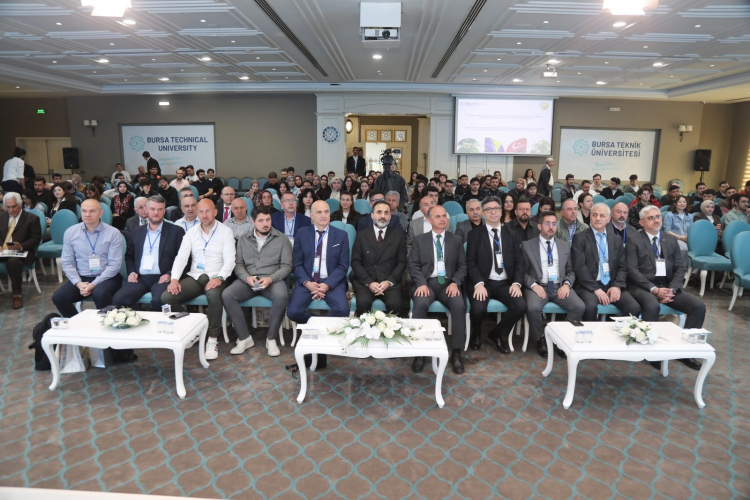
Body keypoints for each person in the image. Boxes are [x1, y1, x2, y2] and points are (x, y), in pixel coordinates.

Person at [626, 205, 705, 371]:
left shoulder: (670, 239)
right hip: (643, 286)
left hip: (668, 286)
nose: (656, 220)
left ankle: (686, 352)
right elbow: (632, 271)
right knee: (652, 305)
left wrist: (673, 289)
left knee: (698, 307)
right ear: (642, 222)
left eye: (658, 217)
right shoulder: (634, 240)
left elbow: (680, 268)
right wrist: (654, 290)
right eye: (651, 218)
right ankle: (651, 351)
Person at [162, 199, 235, 360]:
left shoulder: (226, 231)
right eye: (201, 212)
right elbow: (181, 258)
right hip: (196, 276)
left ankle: (212, 339)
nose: (204, 215)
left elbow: (230, 260)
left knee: (213, 296)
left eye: (208, 211)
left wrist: (219, 277)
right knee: (167, 297)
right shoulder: (191, 232)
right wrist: (174, 279)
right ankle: (193, 330)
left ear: (215, 212)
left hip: (217, 275)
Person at [222, 205, 292, 357]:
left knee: (281, 296)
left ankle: (271, 339)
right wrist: (246, 278)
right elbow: (238, 264)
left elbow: (287, 266)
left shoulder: (282, 239)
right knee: (227, 295)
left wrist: (271, 278)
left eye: (268, 220)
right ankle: (244, 338)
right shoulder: (243, 239)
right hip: (249, 280)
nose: (265, 224)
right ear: (253, 221)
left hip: (272, 280)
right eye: (261, 220)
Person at [409, 205, 467, 374]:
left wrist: (455, 282)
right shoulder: (420, 240)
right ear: (429, 220)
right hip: (426, 283)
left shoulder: (456, 240)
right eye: (438, 216)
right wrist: (421, 283)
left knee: (459, 306)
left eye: (444, 216)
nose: (442, 219)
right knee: (420, 305)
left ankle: (456, 353)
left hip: (448, 284)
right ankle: (419, 353)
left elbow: (462, 266)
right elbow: (413, 265)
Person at [466, 196, 527, 352]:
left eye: (496, 209)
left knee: (520, 306)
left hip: (505, 283)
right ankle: (476, 333)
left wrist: (517, 283)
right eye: (488, 209)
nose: (493, 212)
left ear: (501, 212)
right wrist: (478, 283)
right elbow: (471, 262)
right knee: (478, 309)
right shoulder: (474, 235)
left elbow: (520, 262)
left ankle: (497, 333)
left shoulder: (512, 234)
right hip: (483, 282)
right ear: (483, 213)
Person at [522, 210, 585, 358]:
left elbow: (571, 270)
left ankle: (563, 339)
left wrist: (567, 284)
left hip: (559, 286)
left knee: (579, 306)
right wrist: (534, 285)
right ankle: (540, 339)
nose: (551, 227)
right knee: (532, 308)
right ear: (539, 226)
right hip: (538, 286)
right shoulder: (527, 245)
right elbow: (522, 272)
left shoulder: (565, 245)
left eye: (554, 224)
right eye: (547, 223)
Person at [112, 195, 185, 312]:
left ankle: (155, 322)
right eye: (152, 209)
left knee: (159, 301)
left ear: (164, 211)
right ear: (146, 210)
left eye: (160, 209)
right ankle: (141, 318)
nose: (156, 213)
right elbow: (129, 256)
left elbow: (183, 258)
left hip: (163, 277)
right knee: (118, 299)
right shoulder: (137, 231)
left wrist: (170, 274)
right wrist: (132, 272)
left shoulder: (176, 231)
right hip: (140, 278)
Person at [52, 199, 123, 318]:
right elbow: (67, 262)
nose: (87, 214)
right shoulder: (71, 232)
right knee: (59, 297)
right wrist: (78, 283)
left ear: (101, 213)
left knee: (100, 294)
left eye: (92, 211)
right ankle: (77, 324)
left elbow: (114, 265)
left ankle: (105, 324)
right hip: (82, 277)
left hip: (107, 277)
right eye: (84, 211)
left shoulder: (113, 233)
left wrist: (93, 284)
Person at [572, 203, 641, 322]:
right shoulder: (580, 238)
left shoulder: (616, 239)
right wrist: (596, 289)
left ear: (608, 219)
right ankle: (592, 334)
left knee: (633, 307)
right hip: (588, 286)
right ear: (590, 217)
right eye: (595, 215)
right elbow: (580, 267)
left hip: (611, 284)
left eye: (602, 216)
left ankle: (613, 331)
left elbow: (623, 266)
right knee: (590, 307)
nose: (598, 218)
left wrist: (617, 286)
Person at [287, 200, 350, 326]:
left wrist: (327, 285)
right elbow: (297, 263)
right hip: (308, 281)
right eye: (319, 212)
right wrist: (307, 283)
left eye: (326, 212)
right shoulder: (301, 233)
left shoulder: (341, 235)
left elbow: (343, 266)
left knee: (343, 310)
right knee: (293, 312)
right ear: (312, 215)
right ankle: (320, 324)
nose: (323, 215)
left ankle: (317, 326)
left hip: (332, 282)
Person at [350, 200, 407, 316]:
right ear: (372, 215)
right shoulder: (361, 235)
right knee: (363, 302)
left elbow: (402, 262)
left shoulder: (398, 236)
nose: (383, 216)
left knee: (395, 304)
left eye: (386, 213)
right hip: (366, 281)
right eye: (379, 212)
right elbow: (355, 262)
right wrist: (369, 283)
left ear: (390, 216)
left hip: (389, 281)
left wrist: (389, 282)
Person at [0, 193, 42, 309]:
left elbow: (36, 239)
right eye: (8, 207)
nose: (11, 210)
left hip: (23, 253)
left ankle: (17, 295)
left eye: (14, 206)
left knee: (13, 262)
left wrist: (21, 246)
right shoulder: (1, 217)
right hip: (3, 251)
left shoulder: (32, 219)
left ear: (20, 204)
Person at [662, 195, 694, 262]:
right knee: (684, 248)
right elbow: (667, 231)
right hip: (675, 239)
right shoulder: (669, 215)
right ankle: (682, 267)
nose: (682, 204)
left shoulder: (690, 216)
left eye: (684, 202)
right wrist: (681, 237)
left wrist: (689, 238)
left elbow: (692, 230)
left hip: (688, 239)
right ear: (675, 203)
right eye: (679, 202)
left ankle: (692, 267)